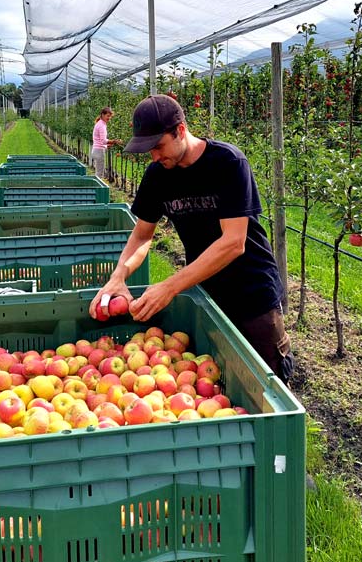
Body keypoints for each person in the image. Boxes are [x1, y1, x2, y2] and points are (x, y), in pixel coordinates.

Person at [89, 94, 294, 383]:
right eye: (149, 151)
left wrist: (170, 286)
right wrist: (119, 276)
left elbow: (234, 242)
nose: (155, 157)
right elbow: (142, 236)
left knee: (268, 377)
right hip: (207, 291)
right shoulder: (158, 175)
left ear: (181, 130)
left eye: (159, 146)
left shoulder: (228, 163)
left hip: (253, 292)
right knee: (218, 380)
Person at [91, 107, 121, 180]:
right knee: (99, 175)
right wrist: (114, 141)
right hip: (99, 152)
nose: (109, 118)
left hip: (96, 150)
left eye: (110, 116)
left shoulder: (100, 123)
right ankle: (97, 190)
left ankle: (96, 189)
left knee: (98, 173)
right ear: (102, 115)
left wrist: (107, 145)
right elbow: (103, 140)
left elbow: (99, 141)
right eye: (108, 116)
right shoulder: (101, 125)